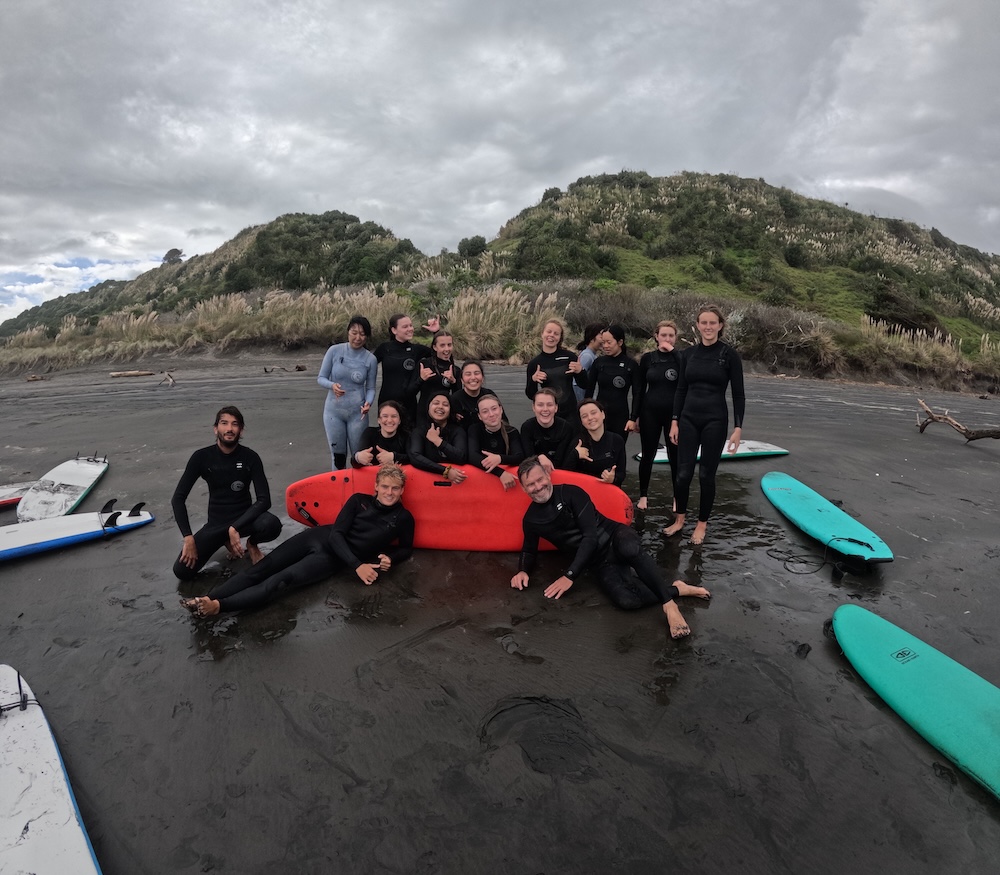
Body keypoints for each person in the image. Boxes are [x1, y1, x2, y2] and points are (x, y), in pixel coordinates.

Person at [510, 457, 710, 639]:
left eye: (540, 479)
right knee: (627, 600)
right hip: (599, 562)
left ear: (547, 476)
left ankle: (669, 606)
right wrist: (522, 570)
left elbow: (590, 537)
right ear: (524, 489)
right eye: (531, 484)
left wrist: (569, 575)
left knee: (630, 548)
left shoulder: (571, 493)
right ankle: (677, 589)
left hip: (614, 537)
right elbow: (529, 549)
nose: (538, 487)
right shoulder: (531, 520)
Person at [181, 464, 413, 615]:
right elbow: (336, 534)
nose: (389, 492)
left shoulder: (403, 518)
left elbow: (406, 548)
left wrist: (390, 559)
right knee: (262, 569)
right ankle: (206, 598)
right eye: (385, 486)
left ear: (402, 490)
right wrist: (357, 565)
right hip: (319, 538)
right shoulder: (358, 500)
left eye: (395, 488)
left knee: (281, 580)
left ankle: (217, 606)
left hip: (330, 560)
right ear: (376, 486)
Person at [171, 406, 281, 580]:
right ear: (216, 429)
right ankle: (225, 540)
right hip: (216, 524)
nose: (229, 428)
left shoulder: (250, 457)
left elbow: (264, 500)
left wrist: (235, 527)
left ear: (241, 430)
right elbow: (178, 499)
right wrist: (188, 537)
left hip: (244, 520)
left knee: (271, 524)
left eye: (234, 424)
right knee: (182, 571)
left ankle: (252, 544)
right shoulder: (201, 457)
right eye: (224, 423)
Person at [665, 306, 745, 545]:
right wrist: (675, 421)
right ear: (697, 325)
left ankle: (701, 524)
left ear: (720, 325)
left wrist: (738, 428)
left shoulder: (729, 355)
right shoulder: (688, 354)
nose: (708, 327)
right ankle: (680, 519)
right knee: (682, 474)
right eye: (704, 323)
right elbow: (681, 389)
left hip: (715, 420)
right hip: (688, 419)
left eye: (713, 323)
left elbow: (738, 394)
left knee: (706, 475)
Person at [317, 315, 377, 470]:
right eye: (354, 332)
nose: (358, 338)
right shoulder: (334, 351)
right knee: (338, 456)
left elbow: (370, 388)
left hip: (358, 414)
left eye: (362, 334)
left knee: (359, 456)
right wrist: (332, 385)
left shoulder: (370, 359)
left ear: (367, 336)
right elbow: (321, 378)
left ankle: (358, 484)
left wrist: (368, 403)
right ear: (348, 332)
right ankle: (338, 483)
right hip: (333, 412)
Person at [634, 320, 682, 512]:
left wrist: (673, 352)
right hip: (649, 413)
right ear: (656, 336)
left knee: (675, 457)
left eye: (671, 335)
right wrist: (635, 416)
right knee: (648, 455)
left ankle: (677, 498)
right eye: (663, 335)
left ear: (675, 338)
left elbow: (687, 377)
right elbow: (639, 389)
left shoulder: (681, 358)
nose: (667, 339)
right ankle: (643, 496)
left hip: (674, 416)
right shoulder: (648, 358)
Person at [373, 313, 440, 422]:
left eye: (411, 325)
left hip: (409, 405)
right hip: (386, 403)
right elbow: (366, 365)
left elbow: (440, 354)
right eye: (405, 327)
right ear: (394, 330)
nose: (410, 329)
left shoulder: (416, 350)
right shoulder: (384, 348)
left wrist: (436, 333)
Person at [582, 325, 639, 439]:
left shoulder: (631, 364)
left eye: (609, 342)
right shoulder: (599, 362)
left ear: (620, 342)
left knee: (617, 447)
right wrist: (585, 412)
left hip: (620, 417)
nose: (605, 346)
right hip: (599, 416)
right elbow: (589, 390)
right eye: (603, 342)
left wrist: (633, 418)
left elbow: (637, 393)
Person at [524, 318, 581, 421]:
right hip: (549, 414)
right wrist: (533, 380)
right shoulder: (535, 363)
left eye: (556, 333)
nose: (551, 335)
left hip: (571, 413)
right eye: (549, 331)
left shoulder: (570, 357)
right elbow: (531, 394)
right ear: (542, 333)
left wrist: (580, 371)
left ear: (560, 337)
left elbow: (584, 384)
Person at [408, 390, 468, 483]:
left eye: (445, 405)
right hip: (427, 483)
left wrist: (438, 441)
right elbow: (415, 457)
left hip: (456, 484)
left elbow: (462, 457)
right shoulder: (419, 431)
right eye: (436, 403)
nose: (440, 407)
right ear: (428, 407)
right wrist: (445, 471)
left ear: (450, 410)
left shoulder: (458, 431)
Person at [467, 394, 525, 490]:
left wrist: (499, 458)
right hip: (483, 482)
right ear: (479, 416)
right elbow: (472, 456)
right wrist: (500, 473)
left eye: (494, 409)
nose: (491, 414)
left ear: (501, 409)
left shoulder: (511, 432)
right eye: (485, 411)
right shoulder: (475, 430)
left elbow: (519, 457)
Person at [519, 388, 576, 472]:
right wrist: (539, 457)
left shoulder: (566, 428)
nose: (545, 409)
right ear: (533, 407)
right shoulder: (527, 427)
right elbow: (528, 458)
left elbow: (561, 461)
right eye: (540, 405)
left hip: (558, 471)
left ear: (556, 407)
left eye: (549, 405)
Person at [574, 398, 627, 486]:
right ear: (581, 422)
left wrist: (613, 478)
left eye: (593, 413)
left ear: (603, 414)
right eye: (584, 416)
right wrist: (575, 454)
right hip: (584, 490)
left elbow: (622, 473)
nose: (590, 418)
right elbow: (566, 472)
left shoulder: (617, 440)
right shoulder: (577, 443)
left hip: (609, 490)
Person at [352, 400, 409, 467]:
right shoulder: (369, 433)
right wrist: (358, 458)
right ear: (379, 420)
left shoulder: (406, 436)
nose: (389, 420)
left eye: (394, 416)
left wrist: (393, 457)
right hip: (373, 473)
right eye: (385, 416)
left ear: (399, 420)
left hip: (398, 473)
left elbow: (413, 459)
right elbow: (354, 462)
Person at [450, 360, 501, 430]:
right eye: (468, 374)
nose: (473, 378)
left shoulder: (489, 395)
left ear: (482, 378)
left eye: (476, 373)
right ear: (462, 380)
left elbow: (503, 421)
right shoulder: (455, 399)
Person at [418, 330, 460, 410]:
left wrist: (453, 382)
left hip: (443, 411)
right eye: (442, 345)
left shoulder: (455, 370)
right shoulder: (424, 364)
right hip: (424, 411)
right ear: (435, 347)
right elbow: (410, 392)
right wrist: (421, 380)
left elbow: (458, 398)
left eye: (449, 345)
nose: (447, 349)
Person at [574, 323, 605, 402]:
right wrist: (582, 402)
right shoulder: (587, 356)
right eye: (601, 336)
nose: (603, 340)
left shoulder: (592, 355)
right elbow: (576, 382)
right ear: (591, 338)